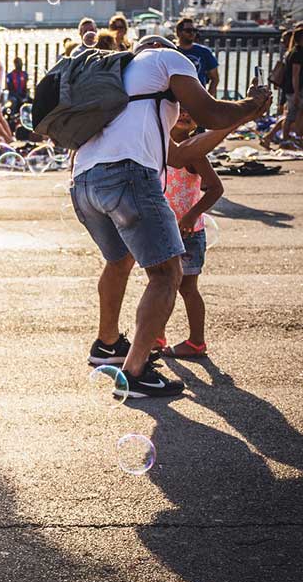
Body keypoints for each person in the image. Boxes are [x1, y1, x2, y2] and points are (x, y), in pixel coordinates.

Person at [70, 34, 270, 396]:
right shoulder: (165, 58)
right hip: (128, 176)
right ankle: (135, 373)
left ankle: (108, 345)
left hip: (84, 182)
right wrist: (251, 103)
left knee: (119, 261)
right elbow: (211, 111)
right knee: (167, 273)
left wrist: (242, 117)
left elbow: (180, 155)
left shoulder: (123, 83)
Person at [159, 109, 227, 359]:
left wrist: (191, 215)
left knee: (187, 288)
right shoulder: (158, 145)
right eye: (180, 108)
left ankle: (197, 342)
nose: (185, 113)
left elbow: (216, 188)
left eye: (192, 111)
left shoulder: (193, 152)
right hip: (163, 230)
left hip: (188, 233)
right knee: (161, 285)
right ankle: (156, 334)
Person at [174, 17, 219, 97]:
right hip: (175, 99)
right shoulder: (171, 51)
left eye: (194, 30)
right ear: (179, 32)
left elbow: (215, 78)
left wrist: (208, 98)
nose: (192, 33)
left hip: (198, 98)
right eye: (188, 30)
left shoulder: (204, 52)